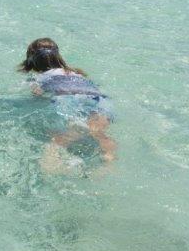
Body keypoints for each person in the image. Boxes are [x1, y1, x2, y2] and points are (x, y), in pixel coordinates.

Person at [18, 38, 116, 174]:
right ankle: (108, 159)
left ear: (31, 61)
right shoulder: (78, 73)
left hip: (67, 97)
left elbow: (37, 94)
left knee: (60, 138)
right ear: (58, 57)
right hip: (100, 99)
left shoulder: (38, 78)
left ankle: (52, 166)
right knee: (99, 133)